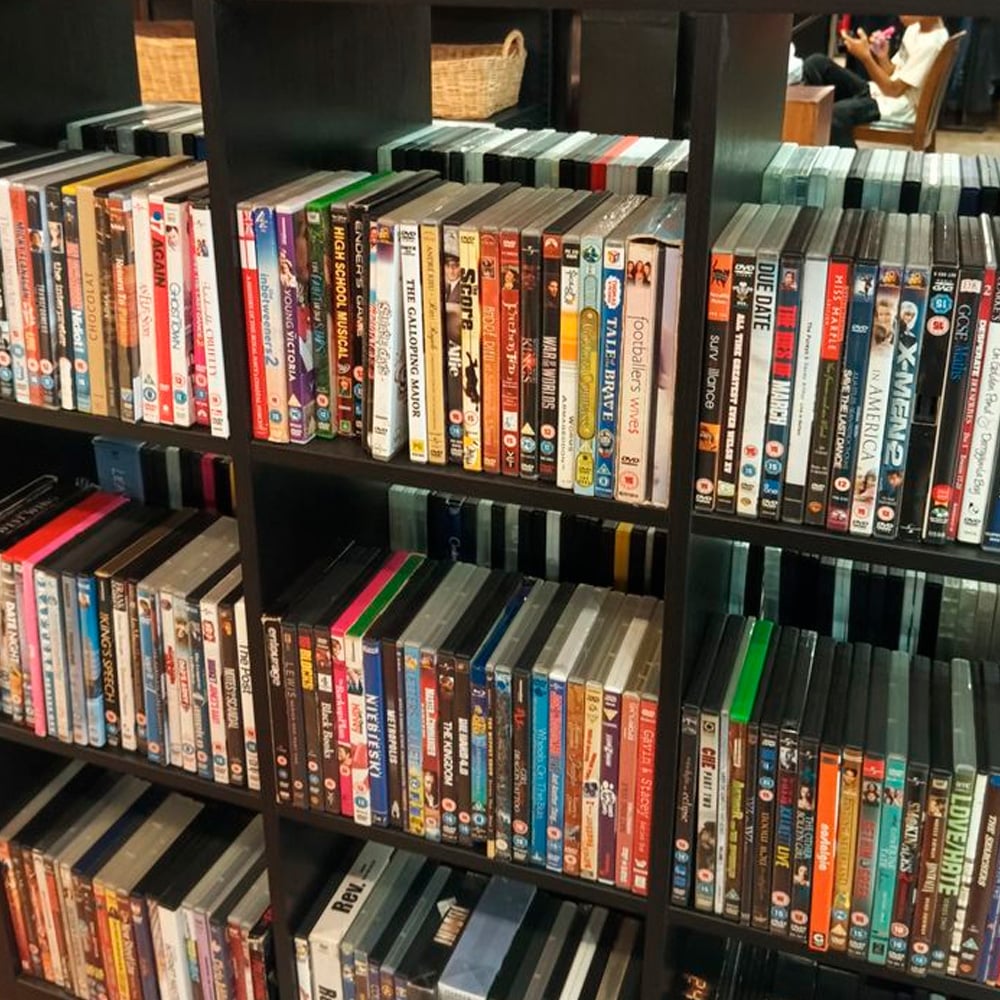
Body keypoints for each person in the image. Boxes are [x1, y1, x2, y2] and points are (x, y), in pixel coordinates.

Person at [802, 15, 949, 147]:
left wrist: (866, 57)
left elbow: (893, 90)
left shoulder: (931, 43)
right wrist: (882, 56)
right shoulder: (914, 29)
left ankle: (852, 172)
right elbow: (892, 73)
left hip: (898, 107)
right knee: (816, 64)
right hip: (883, 94)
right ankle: (809, 136)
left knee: (836, 115)